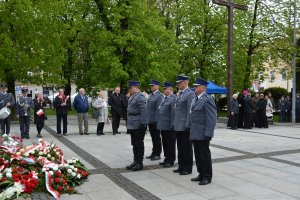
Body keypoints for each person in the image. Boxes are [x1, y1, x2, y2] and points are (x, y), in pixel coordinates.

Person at [189, 78, 217, 185]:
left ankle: (207, 176)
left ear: (202, 88)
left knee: (204, 155)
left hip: (203, 133)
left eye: (196, 86)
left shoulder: (208, 99)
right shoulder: (195, 99)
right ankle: (201, 173)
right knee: (198, 155)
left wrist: (208, 134)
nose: (194, 88)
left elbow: (212, 118)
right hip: (195, 132)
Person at [173, 75, 194, 175]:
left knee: (187, 148)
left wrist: (188, 125)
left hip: (185, 125)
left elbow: (190, 111)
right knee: (180, 147)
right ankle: (181, 165)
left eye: (179, 82)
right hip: (178, 125)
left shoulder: (189, 94)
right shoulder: (180, 94)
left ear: (185, 82)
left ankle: (187, 167)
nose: (177, 84)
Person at [125, 80, 147, 171]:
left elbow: (144, 111)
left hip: (138, 124)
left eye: (131, 88)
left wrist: (143, 124)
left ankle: (140, 163)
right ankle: (135, 161)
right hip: (132, 123)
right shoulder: (133, 96)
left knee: (139, 144)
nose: (129, 89)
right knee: (134, 143)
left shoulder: (140, 97)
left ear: (135, 87)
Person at [156, 82, 176, 167]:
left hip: (169, 126)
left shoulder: (173, 98)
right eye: (163, 89)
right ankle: (166, 158)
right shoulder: (165, 98)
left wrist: (172, 125)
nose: (163, 90)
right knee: (165, 143)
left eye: (165, 89)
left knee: (170, 144)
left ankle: (170, 160)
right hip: (163, 125)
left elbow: (173, 114)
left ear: (170, 89)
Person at [146, 80, 163, 161]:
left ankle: (157, 153)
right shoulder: (150, 95)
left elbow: (158, 109)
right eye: (151, 86)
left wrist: (157, 120)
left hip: (155, 120)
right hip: (150, 120)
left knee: (157, 137)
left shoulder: (159, 95)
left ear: (157, 86)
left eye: (153, 85)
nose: (151, 87)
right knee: (153, 137)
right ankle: (154, 152)